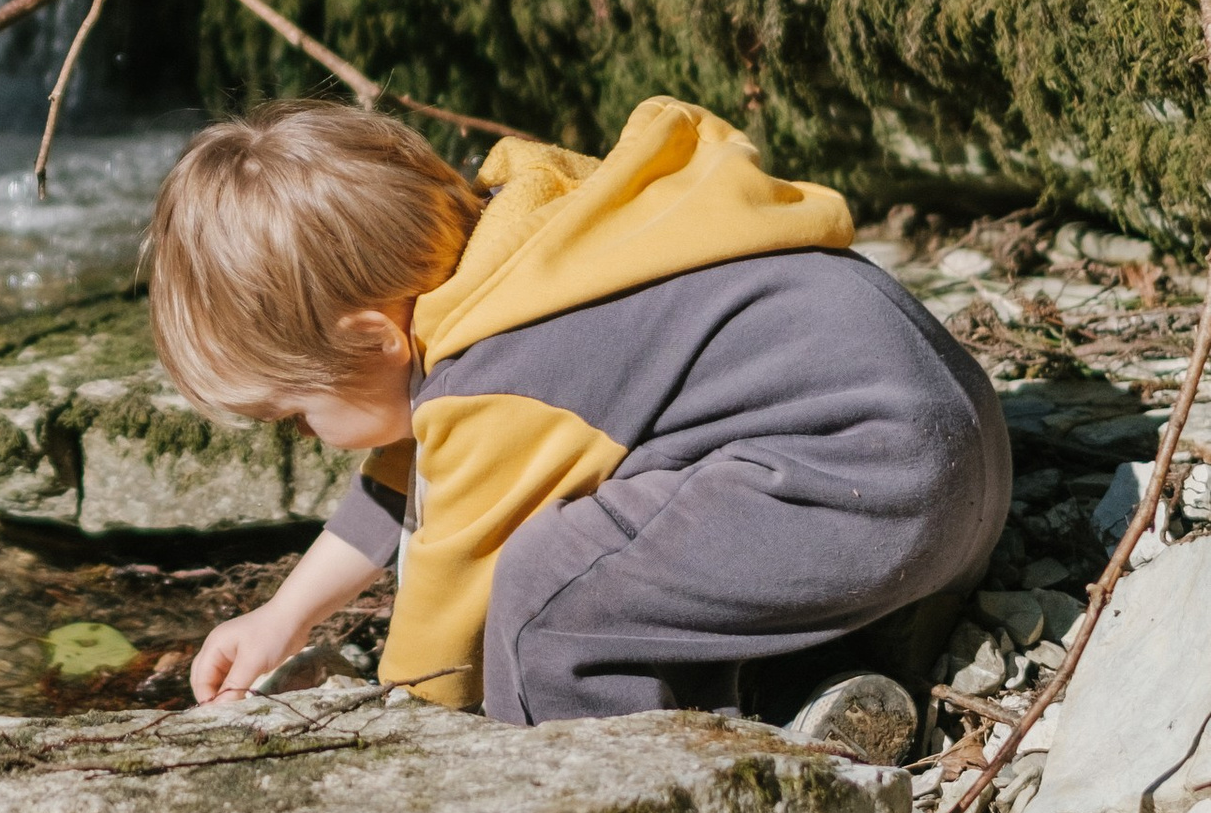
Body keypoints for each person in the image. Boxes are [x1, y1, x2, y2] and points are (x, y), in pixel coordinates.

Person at [147, 93, 1008, 753]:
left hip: (870, 491)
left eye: (295, 416)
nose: (303, 434)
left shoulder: (499, 377)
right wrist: (284, 614)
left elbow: (449, 621)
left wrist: (404, 739)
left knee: (546, 600)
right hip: (951, 452)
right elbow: (411, 464)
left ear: (373, 337)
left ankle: (637, 787)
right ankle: (826, 686)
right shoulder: (525, 246)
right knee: (635, 553)